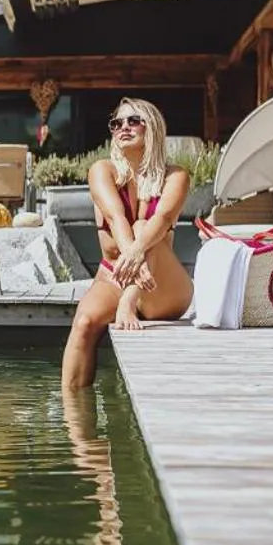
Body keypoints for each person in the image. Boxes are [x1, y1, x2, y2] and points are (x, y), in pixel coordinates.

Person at [62, 98, 194, 389]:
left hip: (162, 287)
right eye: (117, 123)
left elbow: (163, 219)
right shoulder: (102, 170)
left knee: (145, 225)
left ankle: (129, 301)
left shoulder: (176, 176)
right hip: (115, 274)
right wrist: (133, 261)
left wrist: (135, 257)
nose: (124, 127)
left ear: (153, 127)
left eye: (134, 121)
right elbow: (114, 215)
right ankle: (75, 424)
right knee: (83, 323)